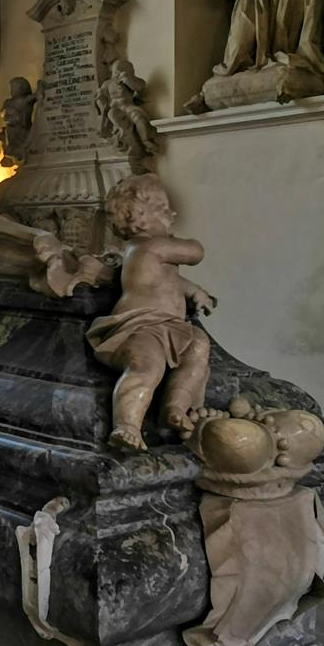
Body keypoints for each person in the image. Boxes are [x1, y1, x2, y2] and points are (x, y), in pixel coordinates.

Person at [87, 175, 216, 450]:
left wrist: (195, 292)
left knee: (198, 346)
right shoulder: (151, 245)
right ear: (140, 216)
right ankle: (127, 425)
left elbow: (168, 281)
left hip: (168, 326)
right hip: (142, 327)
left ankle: (176, 406)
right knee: (146, 366)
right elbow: (196, 252)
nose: (172, 217)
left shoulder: (150, 252)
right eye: (165, 211)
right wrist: (178, 239)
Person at [0, 77, 36, 167]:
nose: (12, 90)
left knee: (22, 146)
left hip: (22, 129)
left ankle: (19, 156)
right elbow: (2, 113)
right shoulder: (8, 102)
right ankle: (14, 156)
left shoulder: (25, 100)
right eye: (12, 87)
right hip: (11, 129)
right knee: (12, 145)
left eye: (14, 87)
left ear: (22, 88)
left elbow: (35, 97)